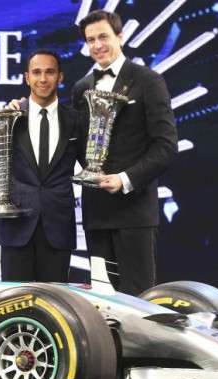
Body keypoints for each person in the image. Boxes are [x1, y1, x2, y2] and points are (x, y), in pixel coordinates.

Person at [73, 10, 179, 295]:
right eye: (90, 39)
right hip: (96, 215)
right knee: (102, 303)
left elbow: (166, 147)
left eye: (103, 37)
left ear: (120, 37)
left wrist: (125, 179)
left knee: (137, 303)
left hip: (134, 213)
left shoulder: (148, 81)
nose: (97, 45)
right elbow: (75, 145)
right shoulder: (81, 89)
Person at [0, 49, 84, 283]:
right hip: (16, 228)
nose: (43, 79)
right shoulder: (9, 118)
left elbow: (92, 165)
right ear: (27, 77)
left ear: (60, 77)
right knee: (14, 307)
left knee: (55, 309)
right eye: (37, 72)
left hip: (58, 228)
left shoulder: (75, 120)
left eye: (50, 72)